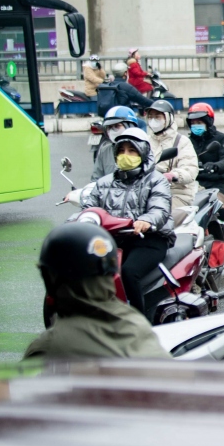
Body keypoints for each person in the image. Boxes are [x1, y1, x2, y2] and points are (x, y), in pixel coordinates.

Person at [24, 223, 169, 359]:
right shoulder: (138, 324)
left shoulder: (48, 347)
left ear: (50, 277)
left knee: (130, 272)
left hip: (146, 237)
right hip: (124, 235)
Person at [81, 127, 174, 314]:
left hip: (148, 239)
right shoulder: (104, 183)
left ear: (142, 152)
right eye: (121, 151)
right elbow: (89, 209)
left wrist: (146, 221)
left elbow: (159, 209)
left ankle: (138, 324)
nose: (126, 155)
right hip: (113, 240)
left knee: (128, 273)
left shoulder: (156, 181)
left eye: (131, 151)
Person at [185, 102, 224, 231]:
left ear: (208, 121)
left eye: (199, 122)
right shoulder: (187, 141)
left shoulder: (220, 139)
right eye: (193, 123)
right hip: (196, 184)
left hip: (218, 184)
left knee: (220, 208)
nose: (196, 126)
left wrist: (215, 166)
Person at [144, 100, 199, 223]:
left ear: (168, 118)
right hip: (148, 192)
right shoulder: (145, 142)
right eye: (151, 117)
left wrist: (173, 175)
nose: (153, 120)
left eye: (157, 117)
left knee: (162, 220)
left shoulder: (181, 141)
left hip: (176, 193)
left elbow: (190, 169)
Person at [92, 105, 145, 179]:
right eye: (109, 127)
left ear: (130, 126)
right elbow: (96, 178)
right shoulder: (104, 150)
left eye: (117, 126)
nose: (112, 130)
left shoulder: (142, 148)